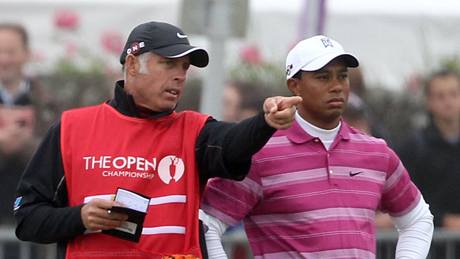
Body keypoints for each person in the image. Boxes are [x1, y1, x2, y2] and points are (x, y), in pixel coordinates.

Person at [13, 21, 301, 259]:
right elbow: (28, 219)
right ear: (134, 64)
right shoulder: (71, 128)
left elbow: (233, 142)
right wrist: (81, 218)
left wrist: (265, 123)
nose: (180, 76)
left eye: (185, 67)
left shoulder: (195, 130)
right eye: (168, 64)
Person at [201, 35, 434, 258]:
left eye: (342, 76)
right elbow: (207, 223)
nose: (336, 86)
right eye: (323, 77)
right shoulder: (260, 153)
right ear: (295, 86)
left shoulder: (375, 152)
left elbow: (418, 218)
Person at [0, 23, 55, 225]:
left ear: (26, 54)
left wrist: (27, 144)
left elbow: (59, 155)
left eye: (10, 52)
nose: (4, 60)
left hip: (31, 217)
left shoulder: (49, 101)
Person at [398, 70, 460, 228]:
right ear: (429, 102)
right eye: (440, 96)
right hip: (431, 245)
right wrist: (444, 221)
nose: (448, 102)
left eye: (454, 94)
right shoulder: (414, 147)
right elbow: (407, 199)